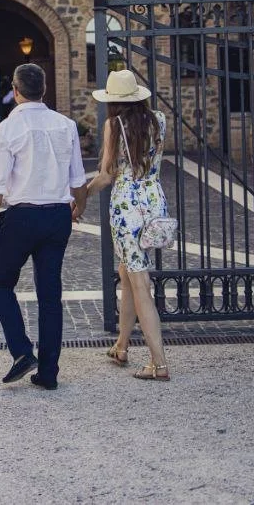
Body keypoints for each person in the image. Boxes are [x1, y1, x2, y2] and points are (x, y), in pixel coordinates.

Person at [0, 63, 87, 390]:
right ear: (44, 88)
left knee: (0, 283)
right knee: (50, 295)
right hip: (57, 217)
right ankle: (49, 373)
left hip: (21, 217)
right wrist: (78, 206)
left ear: (15, 90)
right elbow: (78, 178)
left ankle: (22, 352)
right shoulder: (66, 125)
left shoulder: (8, 129)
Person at [86, 70, 171, 382]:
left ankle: (158, 364)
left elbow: (107, 176)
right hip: (154, 202)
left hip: (127, 210)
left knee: (139, 284)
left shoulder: (114, 125)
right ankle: (121, 345)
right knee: (127, 272)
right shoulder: (159, 120)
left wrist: (80, 194)